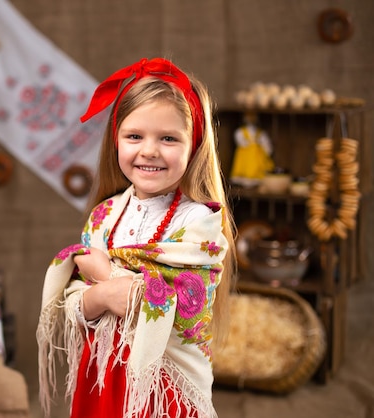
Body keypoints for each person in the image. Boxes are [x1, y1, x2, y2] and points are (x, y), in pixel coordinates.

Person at [37, 57, 236, 418]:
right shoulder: (105, 215)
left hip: (166, 388)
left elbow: (183, 316)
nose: (149, 151)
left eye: (168, 139)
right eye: (134, 136)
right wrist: (104, 294)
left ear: (194, 145)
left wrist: (107, 277)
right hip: (104, 376)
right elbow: (74, 305)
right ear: (116, 140)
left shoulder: (199, 222)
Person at [229, 111, 275, 187]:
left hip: (257, 159)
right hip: (245, 159)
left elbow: (267, 147)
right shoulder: (241, 132)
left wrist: (264, 147)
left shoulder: (260, 133)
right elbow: (241, 142)